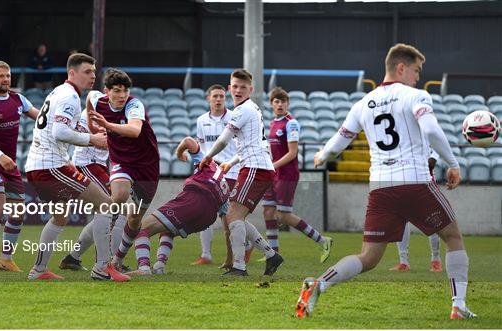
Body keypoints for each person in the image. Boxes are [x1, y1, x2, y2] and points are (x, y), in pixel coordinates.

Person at [295, 43, 476, 320]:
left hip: (380, 187)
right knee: (453, 237)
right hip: (414, 182)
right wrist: (452, 164)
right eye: (416, 71)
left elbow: (337, 144)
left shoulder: (361, 104)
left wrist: (321, 155)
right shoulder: (416, 95)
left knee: (368, 257)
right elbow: (430, 129)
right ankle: (459, 306)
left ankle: (318, 284)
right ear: (401, 68)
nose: (417, 77)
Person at [25, 53, 129, 282]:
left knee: (60, 217)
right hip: (50, 166)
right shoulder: (70, 96)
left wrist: (65, 157)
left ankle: (39, 270)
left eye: (93, 71)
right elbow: (59, 132)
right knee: (106, 206)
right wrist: (92, 139)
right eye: (87, 72)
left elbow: (50, 131)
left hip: (41, 164)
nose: (93, 76)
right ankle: (103, 268)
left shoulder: (58, 92)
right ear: (72, 72)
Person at [126, 137, 280, 276]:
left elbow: (188, 141)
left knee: (142, 229)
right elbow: (228, 224)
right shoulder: (223, 183)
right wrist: (229, 258)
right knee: (168, 230)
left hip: (193, 200)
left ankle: (144, 267)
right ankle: (159, 265)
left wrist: (179, 152)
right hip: (207, 218)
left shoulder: (206, 162)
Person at [199, 69, 283, 277]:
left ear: (251, 90)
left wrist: (207, 157)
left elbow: (223, 140)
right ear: (230, 88)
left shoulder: (241, 111)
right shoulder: (251, 108)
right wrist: (231, 161)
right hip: (254, 166)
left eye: (243, 87)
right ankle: (271, 255)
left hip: (255, 168)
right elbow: (255, 144)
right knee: (237, 216)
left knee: (232, 215)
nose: (238, 90)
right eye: (235, 86)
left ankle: (239, 266)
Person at [85, 68, 160, 273]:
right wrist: (94, 127)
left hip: (147, 165)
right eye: (117, 90)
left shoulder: (134, 105)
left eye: (125, 90)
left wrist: (105, 124)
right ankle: (102, 257)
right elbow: (90, 99)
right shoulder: (98, 99)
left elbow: (135, 130)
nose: (122, 95)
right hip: (121, 161)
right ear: (106, 91)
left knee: (135, 218)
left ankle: (117, 259)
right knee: (118, 195)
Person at [0, 61, 39, 273]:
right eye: (1, 76)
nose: (6, 80)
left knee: (18, 212)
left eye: (8, 76)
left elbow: (41, 119)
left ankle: (5, 259)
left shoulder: (18, 99)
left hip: (9, 165)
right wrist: (0, 155)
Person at [261, 87, 333, 263]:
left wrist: (273, 165)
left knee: (284, 215)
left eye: (283, 101)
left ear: (288, 104)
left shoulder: (291, 123)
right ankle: (273, 253)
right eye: (276, 101)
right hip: (274, 173)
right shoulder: (272, 124)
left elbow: (292, 153)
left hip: (287, 174)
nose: (280, 104)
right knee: (268, 211)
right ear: (271, 104)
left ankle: (323, 241)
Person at [57, 108, 128, 272]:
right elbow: (98, 139)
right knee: (116, 209)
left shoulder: (110, 109)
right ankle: (110, 263)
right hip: (87, 163)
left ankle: (73, 258)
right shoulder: (95, 105)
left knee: (110, 211)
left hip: (98, 164)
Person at [192, 84, 240, 267]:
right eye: (215, 96)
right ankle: (206, 255)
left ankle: (236, 254)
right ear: (208, 99)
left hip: (231, 172)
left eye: (221, 96)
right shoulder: (201, 120)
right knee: (205, 213)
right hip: (210, 173)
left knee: (228, 217)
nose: (218, 99)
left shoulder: (234, 119)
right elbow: (202, 148)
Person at [390, 151, 442, 272]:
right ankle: (403, 262)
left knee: (432, 220)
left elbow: (435, 147)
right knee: (402, 221)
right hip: (404, 181)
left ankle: (436, 260)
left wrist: (433, 157)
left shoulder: (426, 134)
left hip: (425, 182)